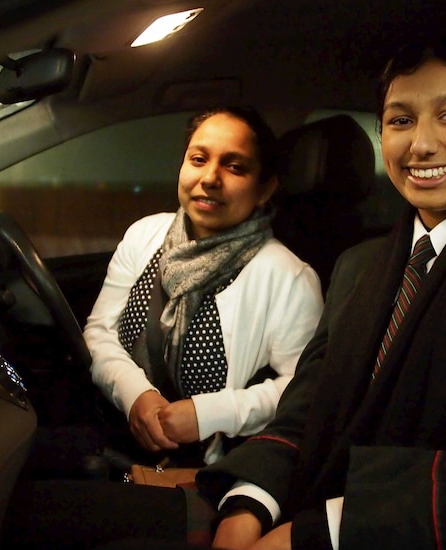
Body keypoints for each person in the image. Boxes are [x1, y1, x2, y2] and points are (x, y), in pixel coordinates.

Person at [58, 39, 446, 550]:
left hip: (412, 547)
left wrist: (312, 531)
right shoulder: (360, 266)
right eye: (401, 120)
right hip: (300, 500)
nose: (422, 143)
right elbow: (306, 410)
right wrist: (248, 506)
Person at [82, 105, 324, 467]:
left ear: (265, 188)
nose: (210, 177)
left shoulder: (288, 277)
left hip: (206, 470)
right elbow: (101, 333)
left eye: (235, 166)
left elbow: (299, 389)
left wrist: (208, 414)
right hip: (114, 438)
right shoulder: (144, 235)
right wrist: (136, 396)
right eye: (198, 159)